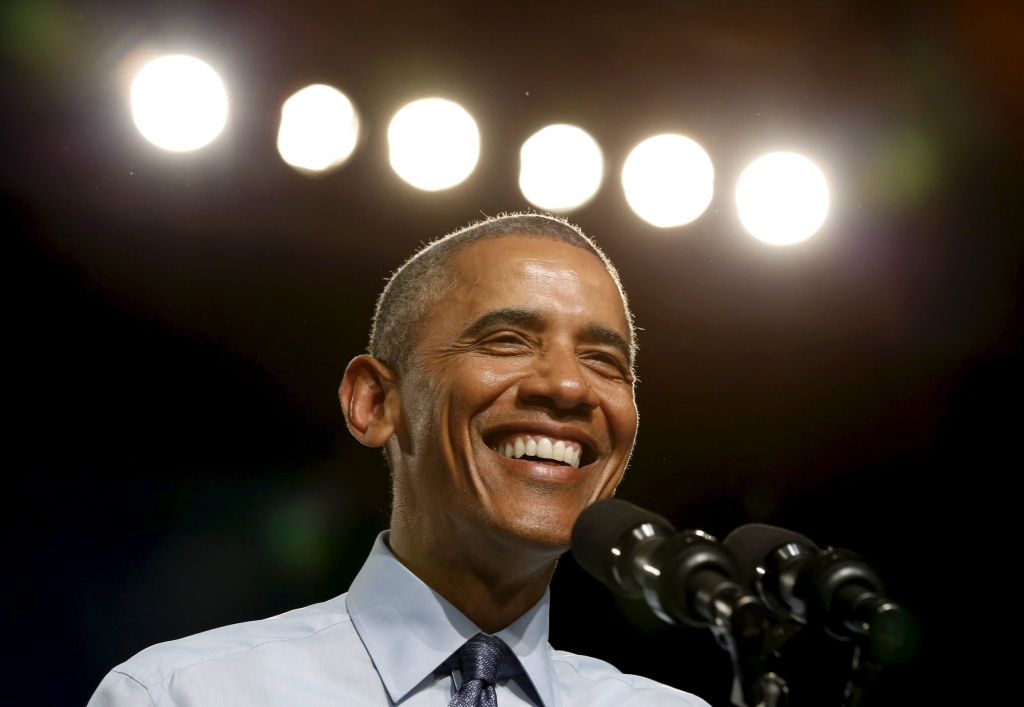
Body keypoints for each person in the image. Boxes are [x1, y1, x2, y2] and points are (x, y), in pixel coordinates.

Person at [87, 214, 709, 707]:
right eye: (506, 342)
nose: (570, 387)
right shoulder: (182, 697)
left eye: (605, 361)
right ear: (375, 401)